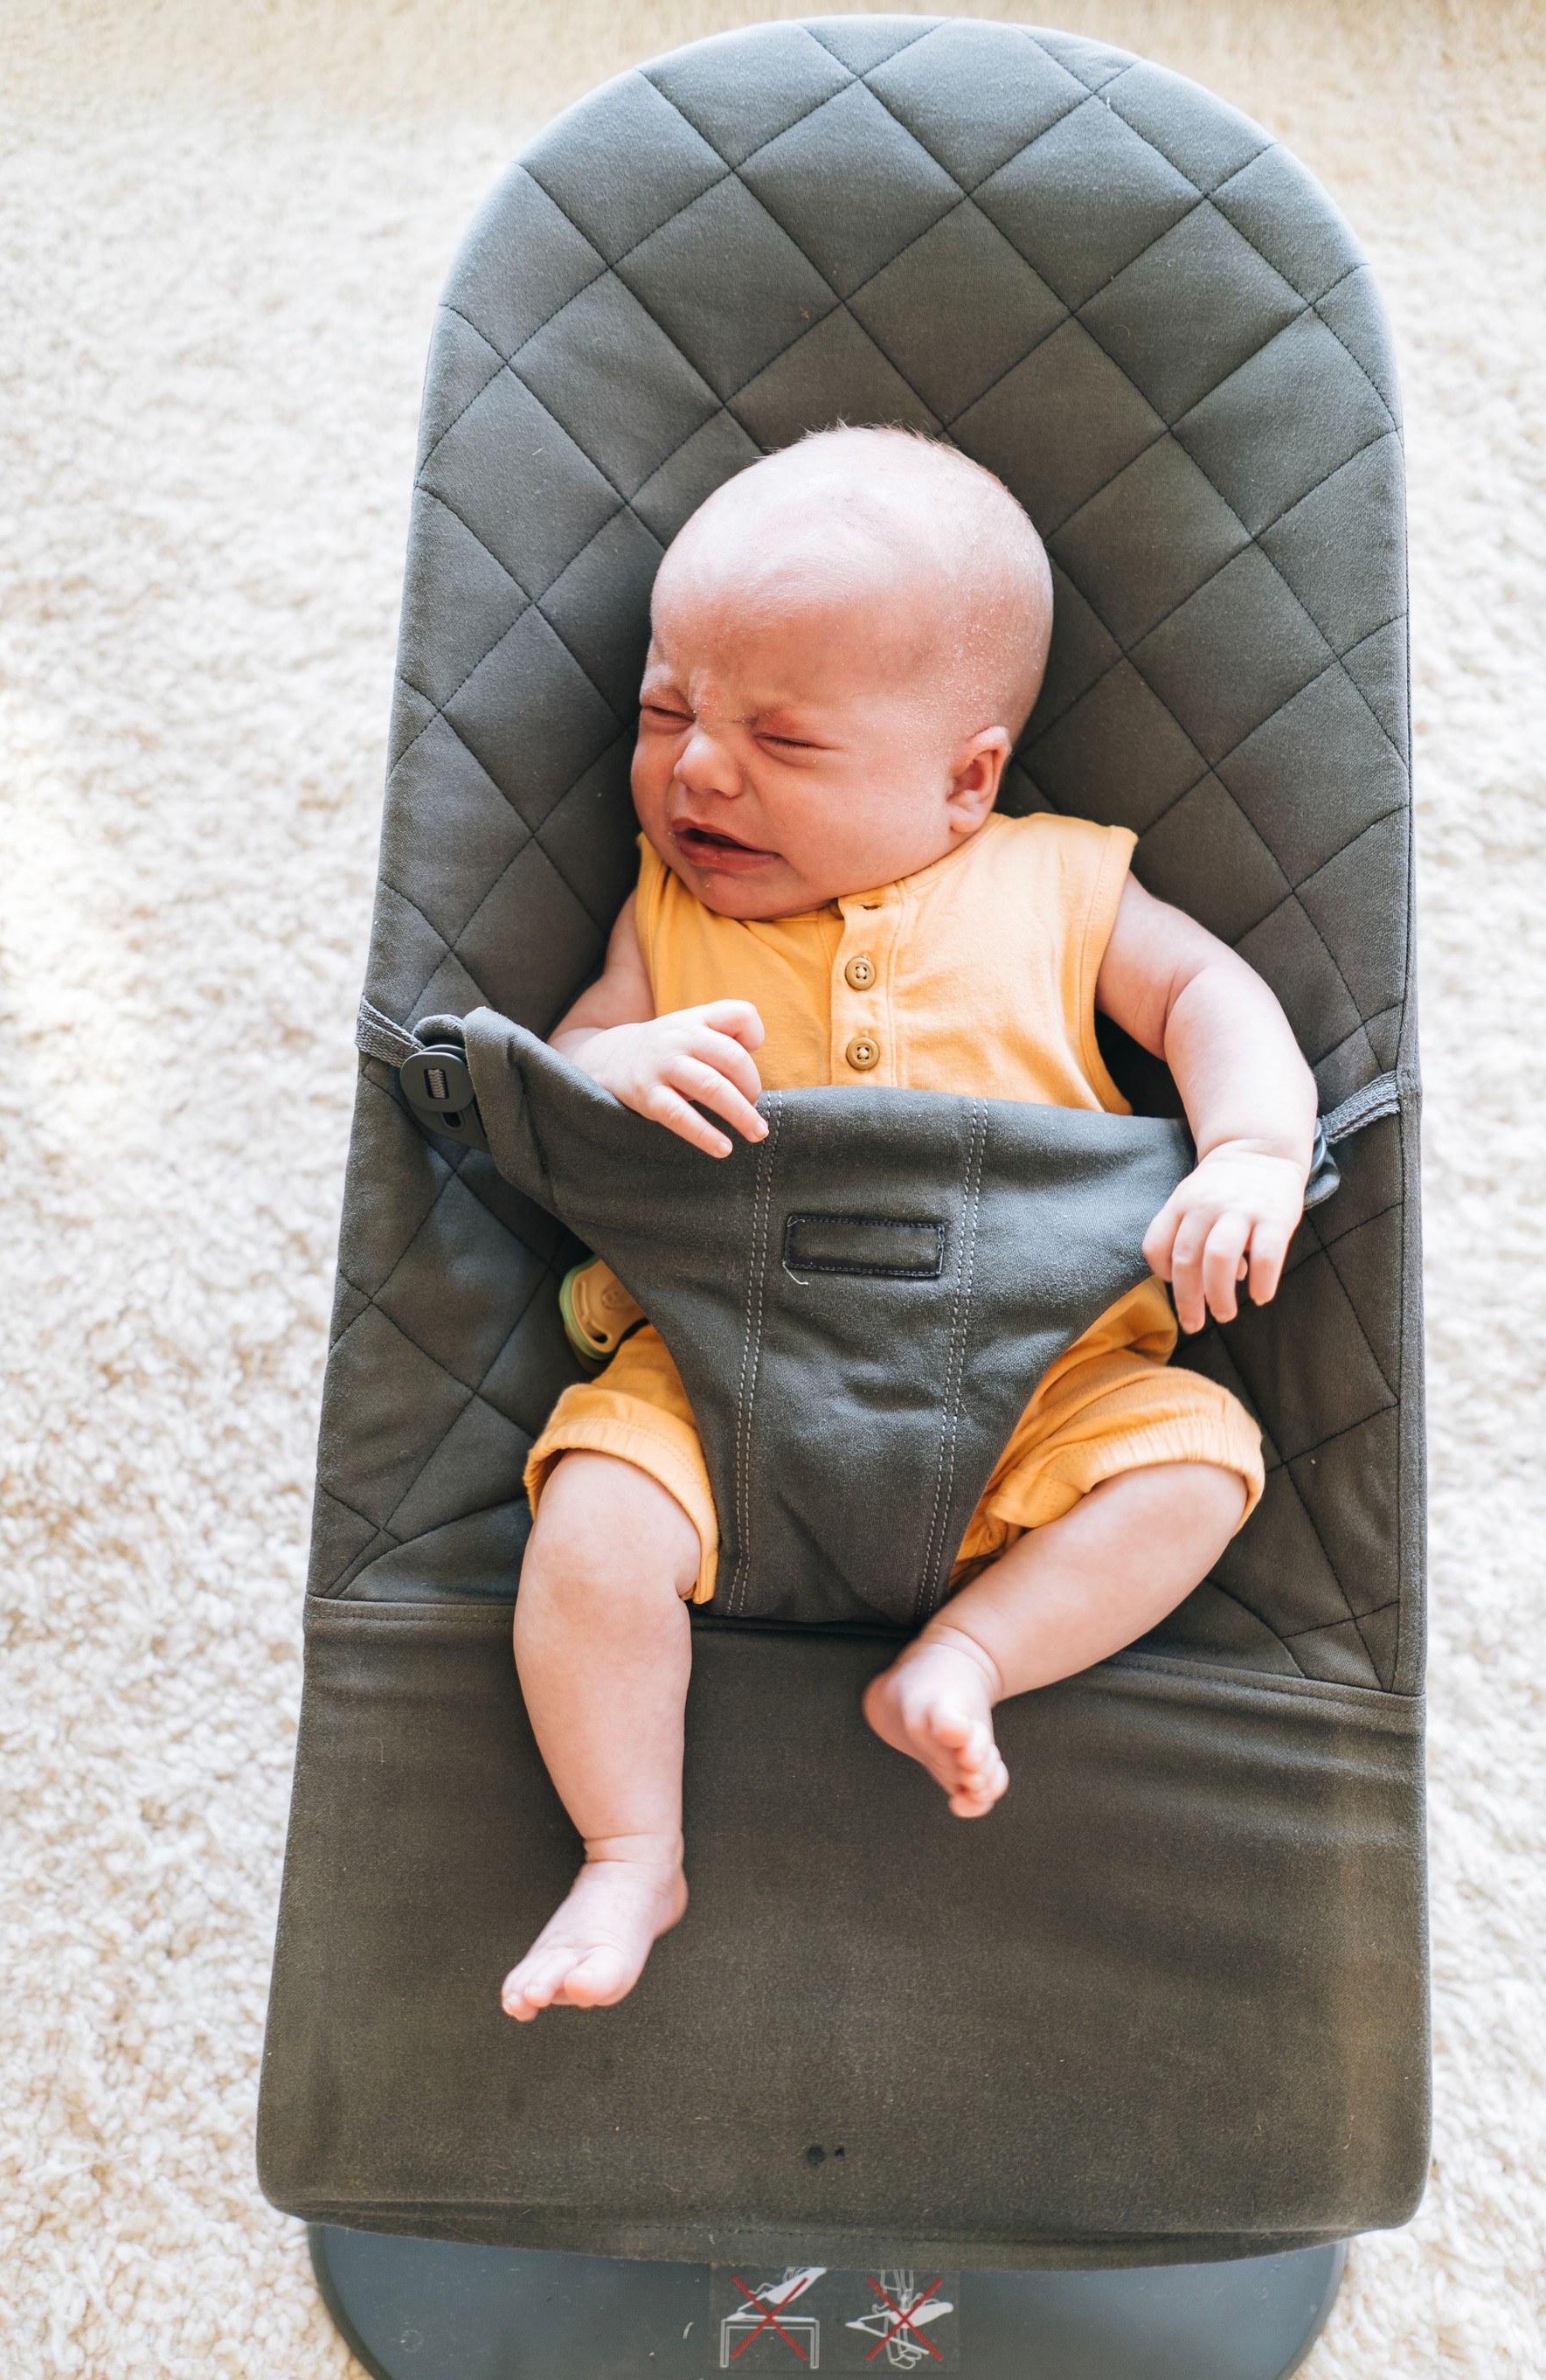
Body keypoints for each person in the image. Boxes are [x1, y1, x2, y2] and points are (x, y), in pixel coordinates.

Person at [500, 427, 1316, 2020]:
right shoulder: (662, 916)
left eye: (782, 743)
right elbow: (566, 1073)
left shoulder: (1064, 886)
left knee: (1199, 1461)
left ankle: (972, 1657)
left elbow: (1213, 992)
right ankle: (627, 1850)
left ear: (968, 778)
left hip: (1036, 1387)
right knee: (593, 1520)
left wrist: (1256, 1151)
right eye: (666, 710)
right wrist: (619, 1060)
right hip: (726, 1376)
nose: (695, 772)